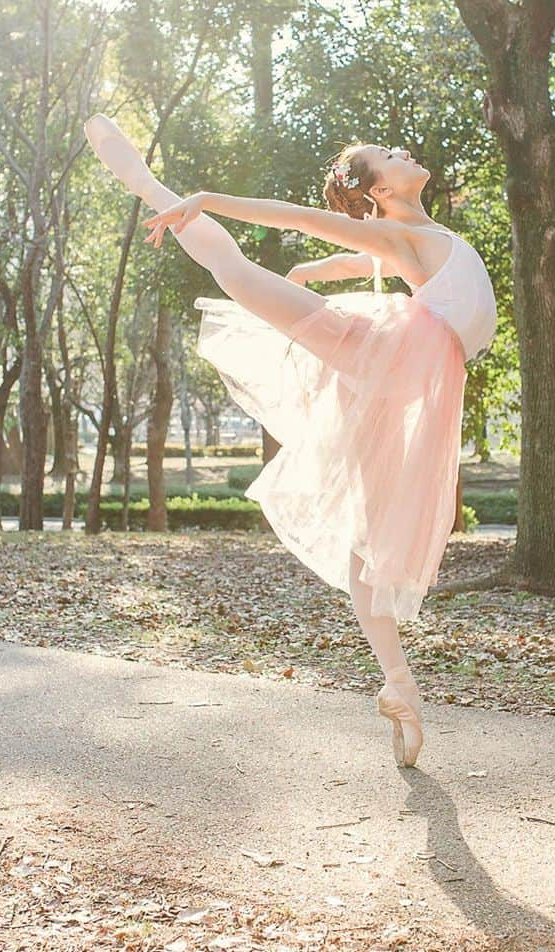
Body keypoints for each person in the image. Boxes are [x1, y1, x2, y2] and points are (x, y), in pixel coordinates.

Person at [83, 114, 497, 767]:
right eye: (387, 151)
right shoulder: (398, 233)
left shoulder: (415, 235)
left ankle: (396, 682)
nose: (403, 149)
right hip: (396, 357)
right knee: (238, 274)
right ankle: (152, 188)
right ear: (377, 191)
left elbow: (355, 257)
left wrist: (315, 272)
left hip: (407, 368)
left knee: (369, 529)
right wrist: (208, 200)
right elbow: (300, 218)